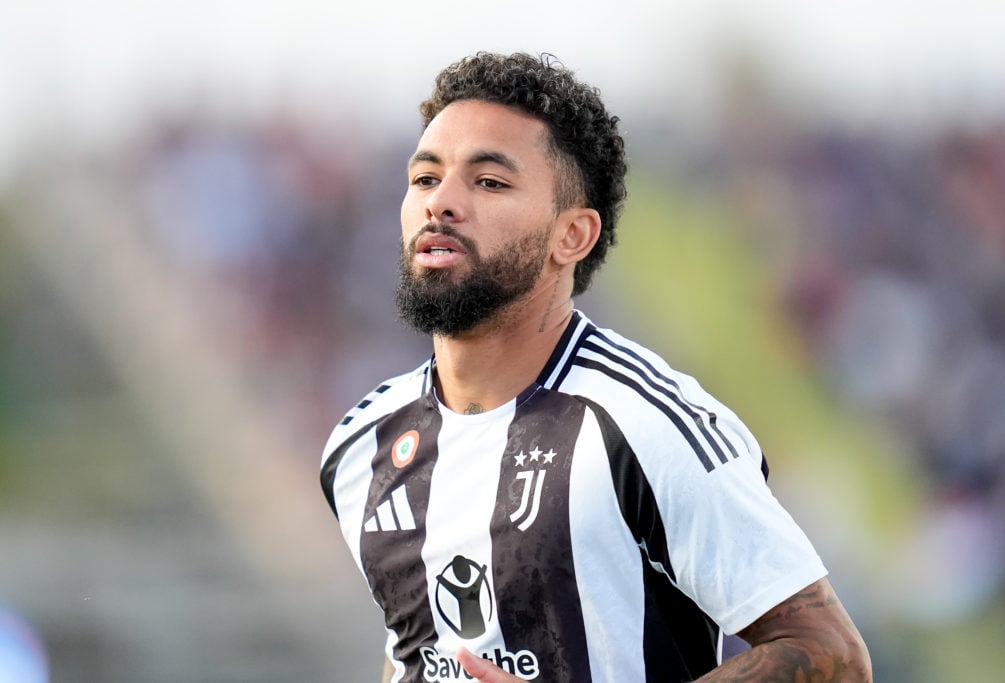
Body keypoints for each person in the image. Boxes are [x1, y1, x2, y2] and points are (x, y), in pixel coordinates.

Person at [320, 51, 871, 682]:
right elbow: (416, 655)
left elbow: (833, 657)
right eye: (424, 179)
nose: (441, 203)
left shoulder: (644, 424)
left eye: (489, 182)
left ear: (572, 235)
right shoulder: (361, 444)